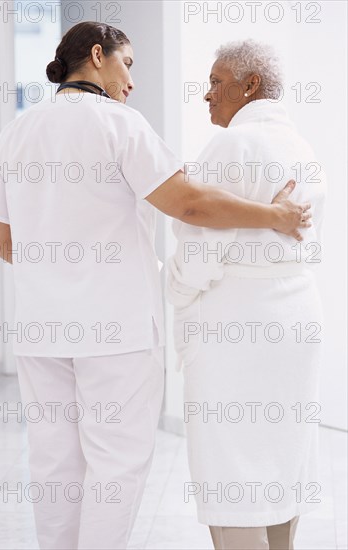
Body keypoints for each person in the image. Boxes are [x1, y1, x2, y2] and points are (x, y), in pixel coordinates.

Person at [0, 23, 311, 550]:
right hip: (118, 330)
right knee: (115, 466)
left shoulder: (15, 132)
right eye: (128, 64)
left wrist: (52, 270)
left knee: (53, 464)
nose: (131, 80)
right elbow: (190, 204)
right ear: (96, 56)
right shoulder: (120, 125)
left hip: (41, 329)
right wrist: (273, 214)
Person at [167, 39, 326, 550]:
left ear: (249, 85)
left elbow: (199, 247)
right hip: (296, 314)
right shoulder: (301, 146)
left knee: (231, 461)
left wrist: (172, 287)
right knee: (283, 454)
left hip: (237, 325)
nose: (206, 96)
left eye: (216, 83)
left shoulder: (231, 145)